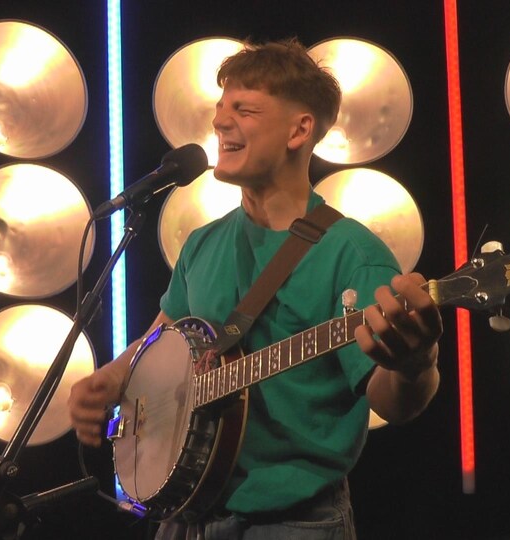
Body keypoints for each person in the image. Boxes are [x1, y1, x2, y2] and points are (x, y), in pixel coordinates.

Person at [68, 38, 442, 539]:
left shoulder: (354, 254)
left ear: (299, 129)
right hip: (183, 513)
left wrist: (417, 364)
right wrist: (112, 381)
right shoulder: (204, 242)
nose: (221, 122)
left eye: (243, 109)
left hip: (294, 523)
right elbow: (165, 337)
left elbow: (396, 403)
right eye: (221, 109)